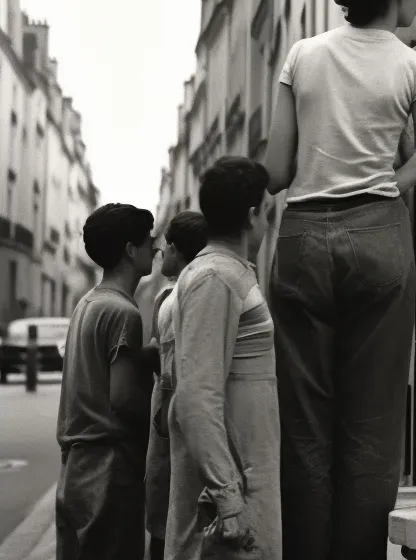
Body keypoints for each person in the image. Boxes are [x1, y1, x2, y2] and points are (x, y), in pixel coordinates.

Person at [263, 0, 416, 560]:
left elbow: (276, 170)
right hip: (378, 236)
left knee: (304, 423)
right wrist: (397, 172)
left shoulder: (302, 55)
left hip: (302, 238)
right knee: (372, 423)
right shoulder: (413, 68)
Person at [164, 158, 278, 560]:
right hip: (229, 502)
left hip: (239, 483)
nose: (269, 223)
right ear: (251, 216)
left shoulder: (226, 273)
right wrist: (228, 499)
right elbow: (196, 397)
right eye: (268, 212)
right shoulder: (216, 278)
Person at [55, 203, 156, 560]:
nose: (157, 248)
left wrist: (141, 358)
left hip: (77, 469)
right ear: (130, 249)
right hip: (109, 470)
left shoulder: (89, 303)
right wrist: (161, 423)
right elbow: (123, 397)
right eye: (149, 241)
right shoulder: (123, 312)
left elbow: (96, 370)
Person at [145, 210, 207, 560]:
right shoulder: (172, 295)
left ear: (176, 249)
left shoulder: (177, 295)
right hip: (169, 410)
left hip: (169, 411)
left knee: (168, 505)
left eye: (165, 246)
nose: (161, 254)